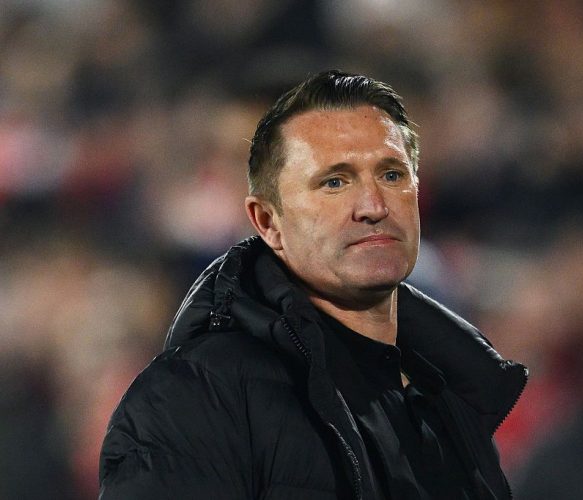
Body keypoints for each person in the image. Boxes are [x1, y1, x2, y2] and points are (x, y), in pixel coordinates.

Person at [99, 70, 527, 500]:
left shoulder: (448, 405)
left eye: (392, 174)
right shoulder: (195, 396)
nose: (373, 206)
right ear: (268, 221)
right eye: (334, 182)